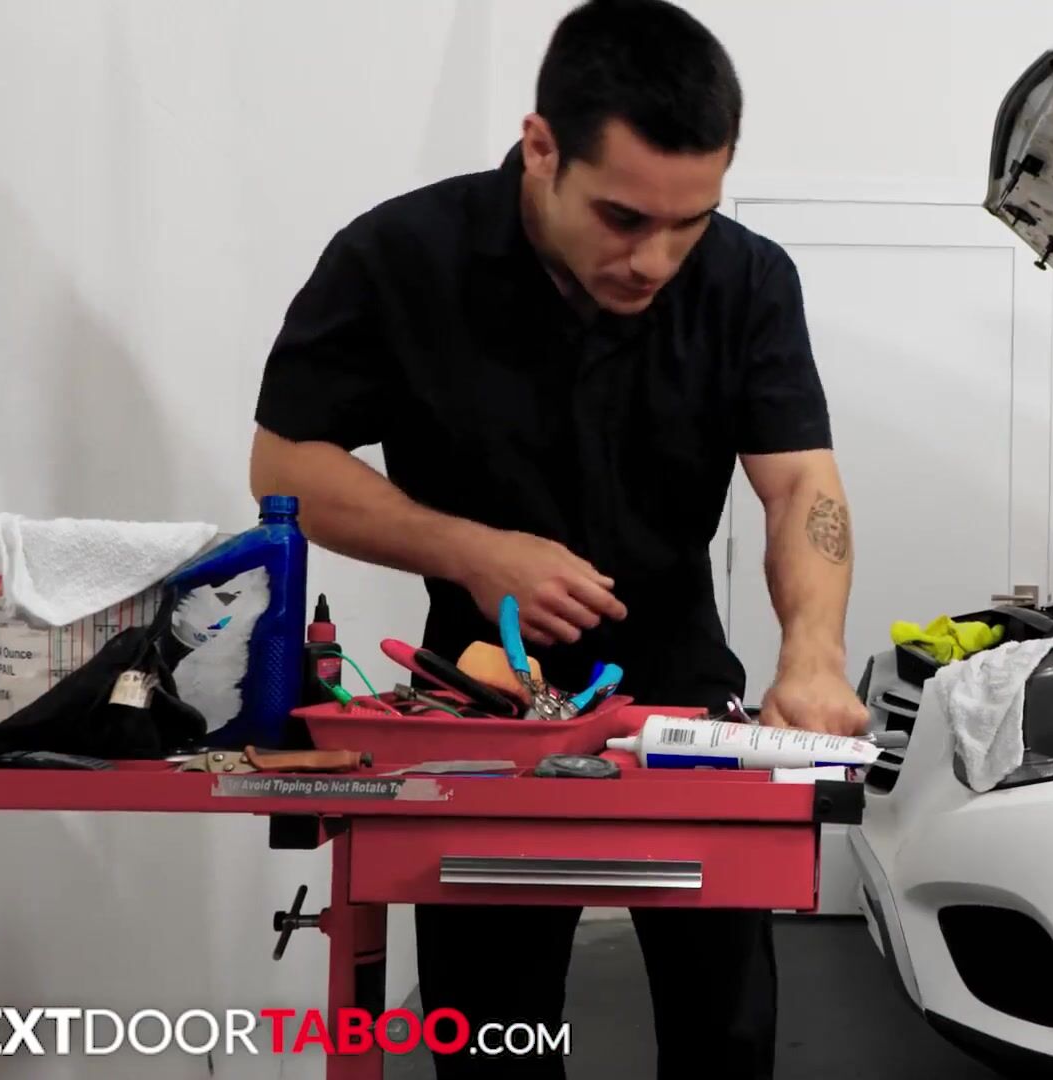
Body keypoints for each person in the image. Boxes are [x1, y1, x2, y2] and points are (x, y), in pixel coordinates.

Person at [246, 0, 868, 1074]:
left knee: (726, 1033)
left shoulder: (748, 279)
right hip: (478, 704)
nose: (655, 259)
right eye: (623, 218)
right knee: (496, 1038)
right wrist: (473, 552)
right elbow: (286, 467)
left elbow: (801, 483)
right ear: (542, 148)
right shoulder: (400, 256)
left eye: (689, 221)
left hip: (681, 699)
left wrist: (812, 653)